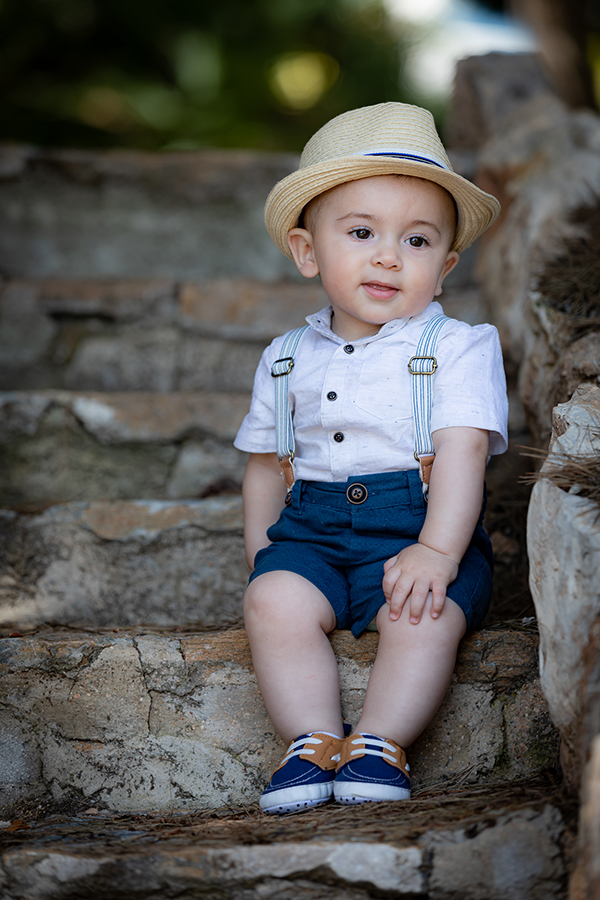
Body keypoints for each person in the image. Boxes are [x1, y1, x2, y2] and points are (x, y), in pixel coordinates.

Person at [234, 102, 508, 815]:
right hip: (314, 529)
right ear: (307, 252)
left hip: (416, 525)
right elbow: (267, 464)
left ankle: (381, 741)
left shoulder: (458, 346)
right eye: (361, 233)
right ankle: (313, 741)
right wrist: (267, 554)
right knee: (272, 599)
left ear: (445, 268)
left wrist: (438, 553)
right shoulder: (286, 357)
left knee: (425, 614)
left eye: (416, 241)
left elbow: (463, 450)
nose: (388, 255)